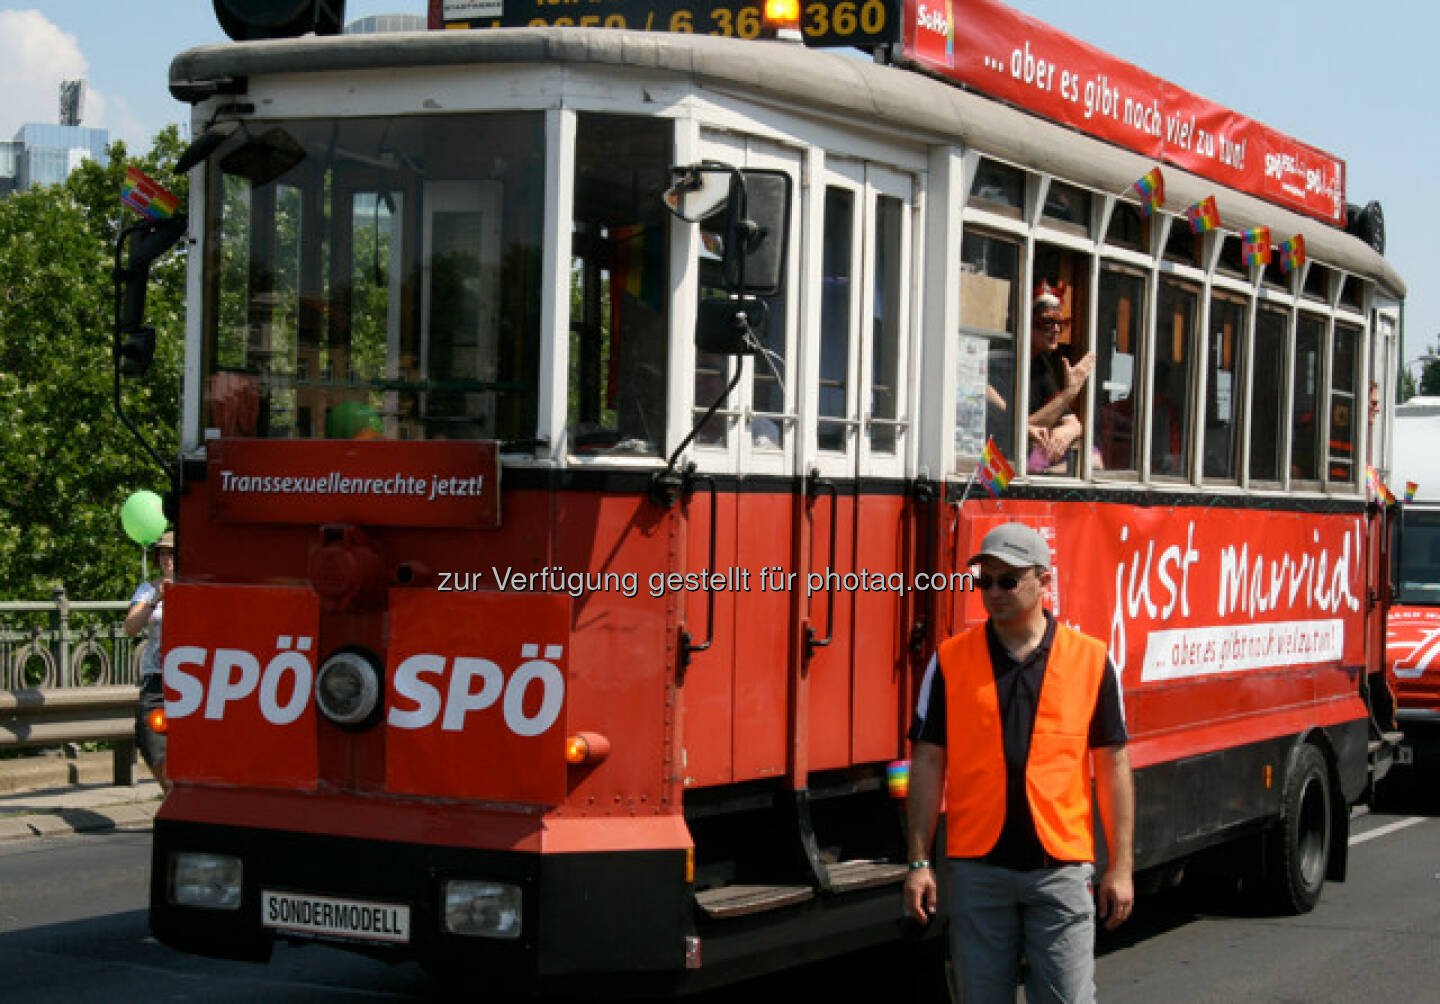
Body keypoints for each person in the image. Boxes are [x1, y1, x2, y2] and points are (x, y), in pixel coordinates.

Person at [902, 523, 1133, 1003]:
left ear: (1044, 582)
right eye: (984, 581)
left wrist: (1121, 867)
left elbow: (1112, 767)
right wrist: (920, 862)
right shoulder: (950, 661)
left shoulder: (1092, 661)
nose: (994, 592)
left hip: (1061, 869)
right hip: (978, 870)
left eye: (1008, 580)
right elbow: (926, 763)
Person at [124, 529, 174, 793]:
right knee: (149, 739)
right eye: (163, 553)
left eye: (172, 553)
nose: (167, 560)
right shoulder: (148, 589)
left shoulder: (197, 585)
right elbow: (130, 627)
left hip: (191, 677)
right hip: (157, 675)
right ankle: (170, 792)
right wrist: (156, 599)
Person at [1027, 288, 1096, 473]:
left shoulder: (1041, 366)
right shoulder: (1007, 363)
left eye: (1060, 323)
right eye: (1048, 322)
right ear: (1027, 322)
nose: (1056, 329)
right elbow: (1017, 427)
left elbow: (1073, 423)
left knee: (1094, 458)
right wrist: (1070, 393)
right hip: (1000, 460)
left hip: (1031, 453)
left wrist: (1065, 433)